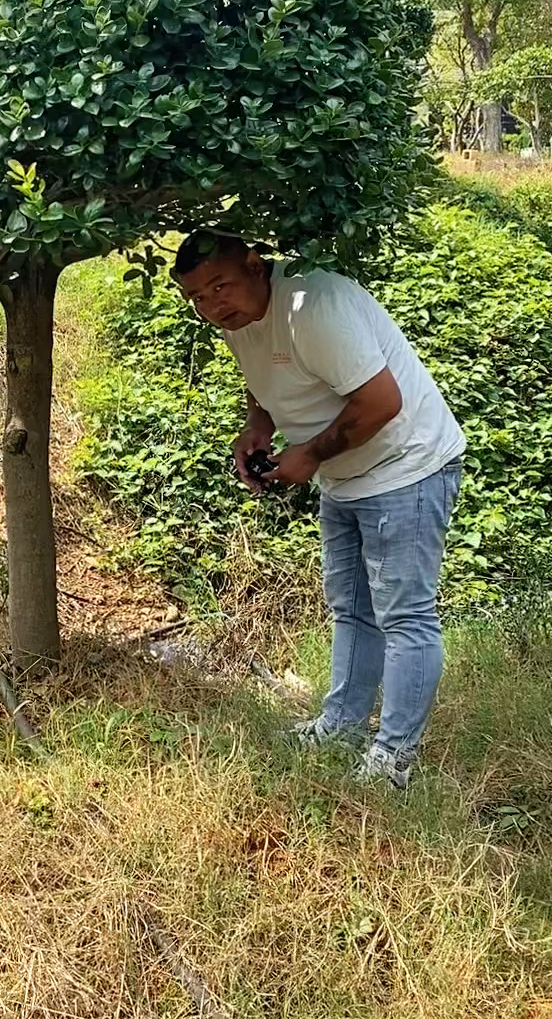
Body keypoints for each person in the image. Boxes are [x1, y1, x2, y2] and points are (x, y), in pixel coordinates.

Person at [174, 233, 465, 788]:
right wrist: (258, 425)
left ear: (256, 267)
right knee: (352, 610)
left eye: (220, 286)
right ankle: (341, 725)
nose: (212, 307)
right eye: (197, 298)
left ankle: (393, 758)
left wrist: (306, 455)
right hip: (345, 477)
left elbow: (382, 402)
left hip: (408, 468)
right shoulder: (238, 319)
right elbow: (263, 380)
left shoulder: (315, 305)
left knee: (405, 618)